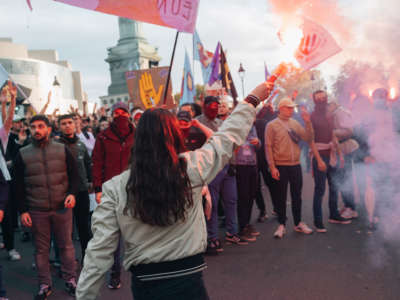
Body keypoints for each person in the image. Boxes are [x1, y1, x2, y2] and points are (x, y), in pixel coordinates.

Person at [76, 81, 273, 300]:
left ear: (137, 139)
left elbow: (99, 251)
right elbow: (225, 139)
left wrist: (84, 296)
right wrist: (252, 99)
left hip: (147, 284)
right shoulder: (192, 168)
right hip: (188, 280)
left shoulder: (115, 187)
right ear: (174, 135)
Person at [14, 115, 79, 299]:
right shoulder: (23, 153)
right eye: (33, 127)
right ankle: (44, 284)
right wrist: (23, 211)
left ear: (49, 129)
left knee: (66, 246)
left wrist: (72, 193)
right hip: (37, 209)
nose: (37, 130)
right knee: (41, 250)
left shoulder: (62, 149)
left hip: (62, 207)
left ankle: (71, 280)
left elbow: (75, 176)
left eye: (41, 126)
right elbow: (18, 185)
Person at [92, 102, 135, 289]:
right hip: (111, 191)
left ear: (129, 114)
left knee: (136, 231)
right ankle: (115, 273)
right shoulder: (102, 137)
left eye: (123, 112)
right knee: (114, 234)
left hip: (134, 188)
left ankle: (140, 268)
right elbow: (97, 163)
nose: (120, 116)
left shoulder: (138, 135)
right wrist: (98, 188)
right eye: (116, 113)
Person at [265, 97, 314, 239]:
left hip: (295, 165)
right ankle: (281, 225)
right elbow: (268, 147)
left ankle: (298, 222)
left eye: (293, 108)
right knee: (280, 196)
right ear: (281, 108)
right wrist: (272, 167)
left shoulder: (295, 123)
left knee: (296, 195)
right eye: (289, 107)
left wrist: (308, 122)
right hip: (280, 165)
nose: (292, 110)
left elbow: (308, 138)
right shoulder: (271, 125)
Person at [310, 90, 351, 233]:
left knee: (334, 186)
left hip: (332, 154)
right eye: (318, 98)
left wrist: (340, 155)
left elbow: (333, 135)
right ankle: (318, 222)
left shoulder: (330, 116)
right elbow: (311, 141)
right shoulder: (312, 116)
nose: (322, 100)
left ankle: (334, 214)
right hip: (320, 156)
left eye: (323, 97)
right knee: (320, 189)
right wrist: (319, 160)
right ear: (314, 100)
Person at [58, 114, 93, 262]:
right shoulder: (56, 146)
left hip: (82, 191)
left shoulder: (81, 144)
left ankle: (87, 258)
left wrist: (91, 182)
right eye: (63, 123)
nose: (67, 125)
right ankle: (66, 261)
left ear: (74, 124)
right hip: (63, 193)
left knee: (84, 227)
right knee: (66, 231)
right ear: (59, 126)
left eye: (70, 123)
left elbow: (88, 165)